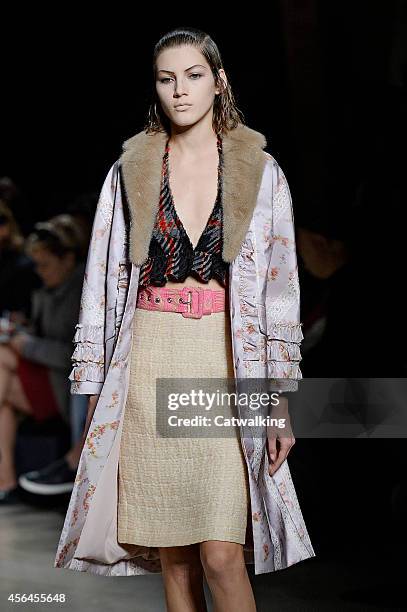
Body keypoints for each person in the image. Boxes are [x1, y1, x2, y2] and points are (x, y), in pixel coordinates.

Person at [54, 27, 315, 612]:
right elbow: (100, 283)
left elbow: (279, 291)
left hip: (227, 364)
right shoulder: (130, 170)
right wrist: (96, 396)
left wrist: (277, 401)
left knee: (222, 553)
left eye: (194, 76)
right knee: (174, 556)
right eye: (167, 79)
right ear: (156, 87)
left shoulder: (261, 170)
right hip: (148, 359)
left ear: (219, 81)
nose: (180, 91)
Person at [0, 215, 87, 503]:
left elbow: (72, 354)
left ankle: (6, 481)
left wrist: (26, 344)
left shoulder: (81, 293)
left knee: (2, 359)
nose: (39, 271)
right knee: (3, 382)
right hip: (49, 378)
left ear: (67, 259)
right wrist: (24, 331)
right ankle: (6, 481)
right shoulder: (46, 292)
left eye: (45, 264)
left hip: (66, 386)